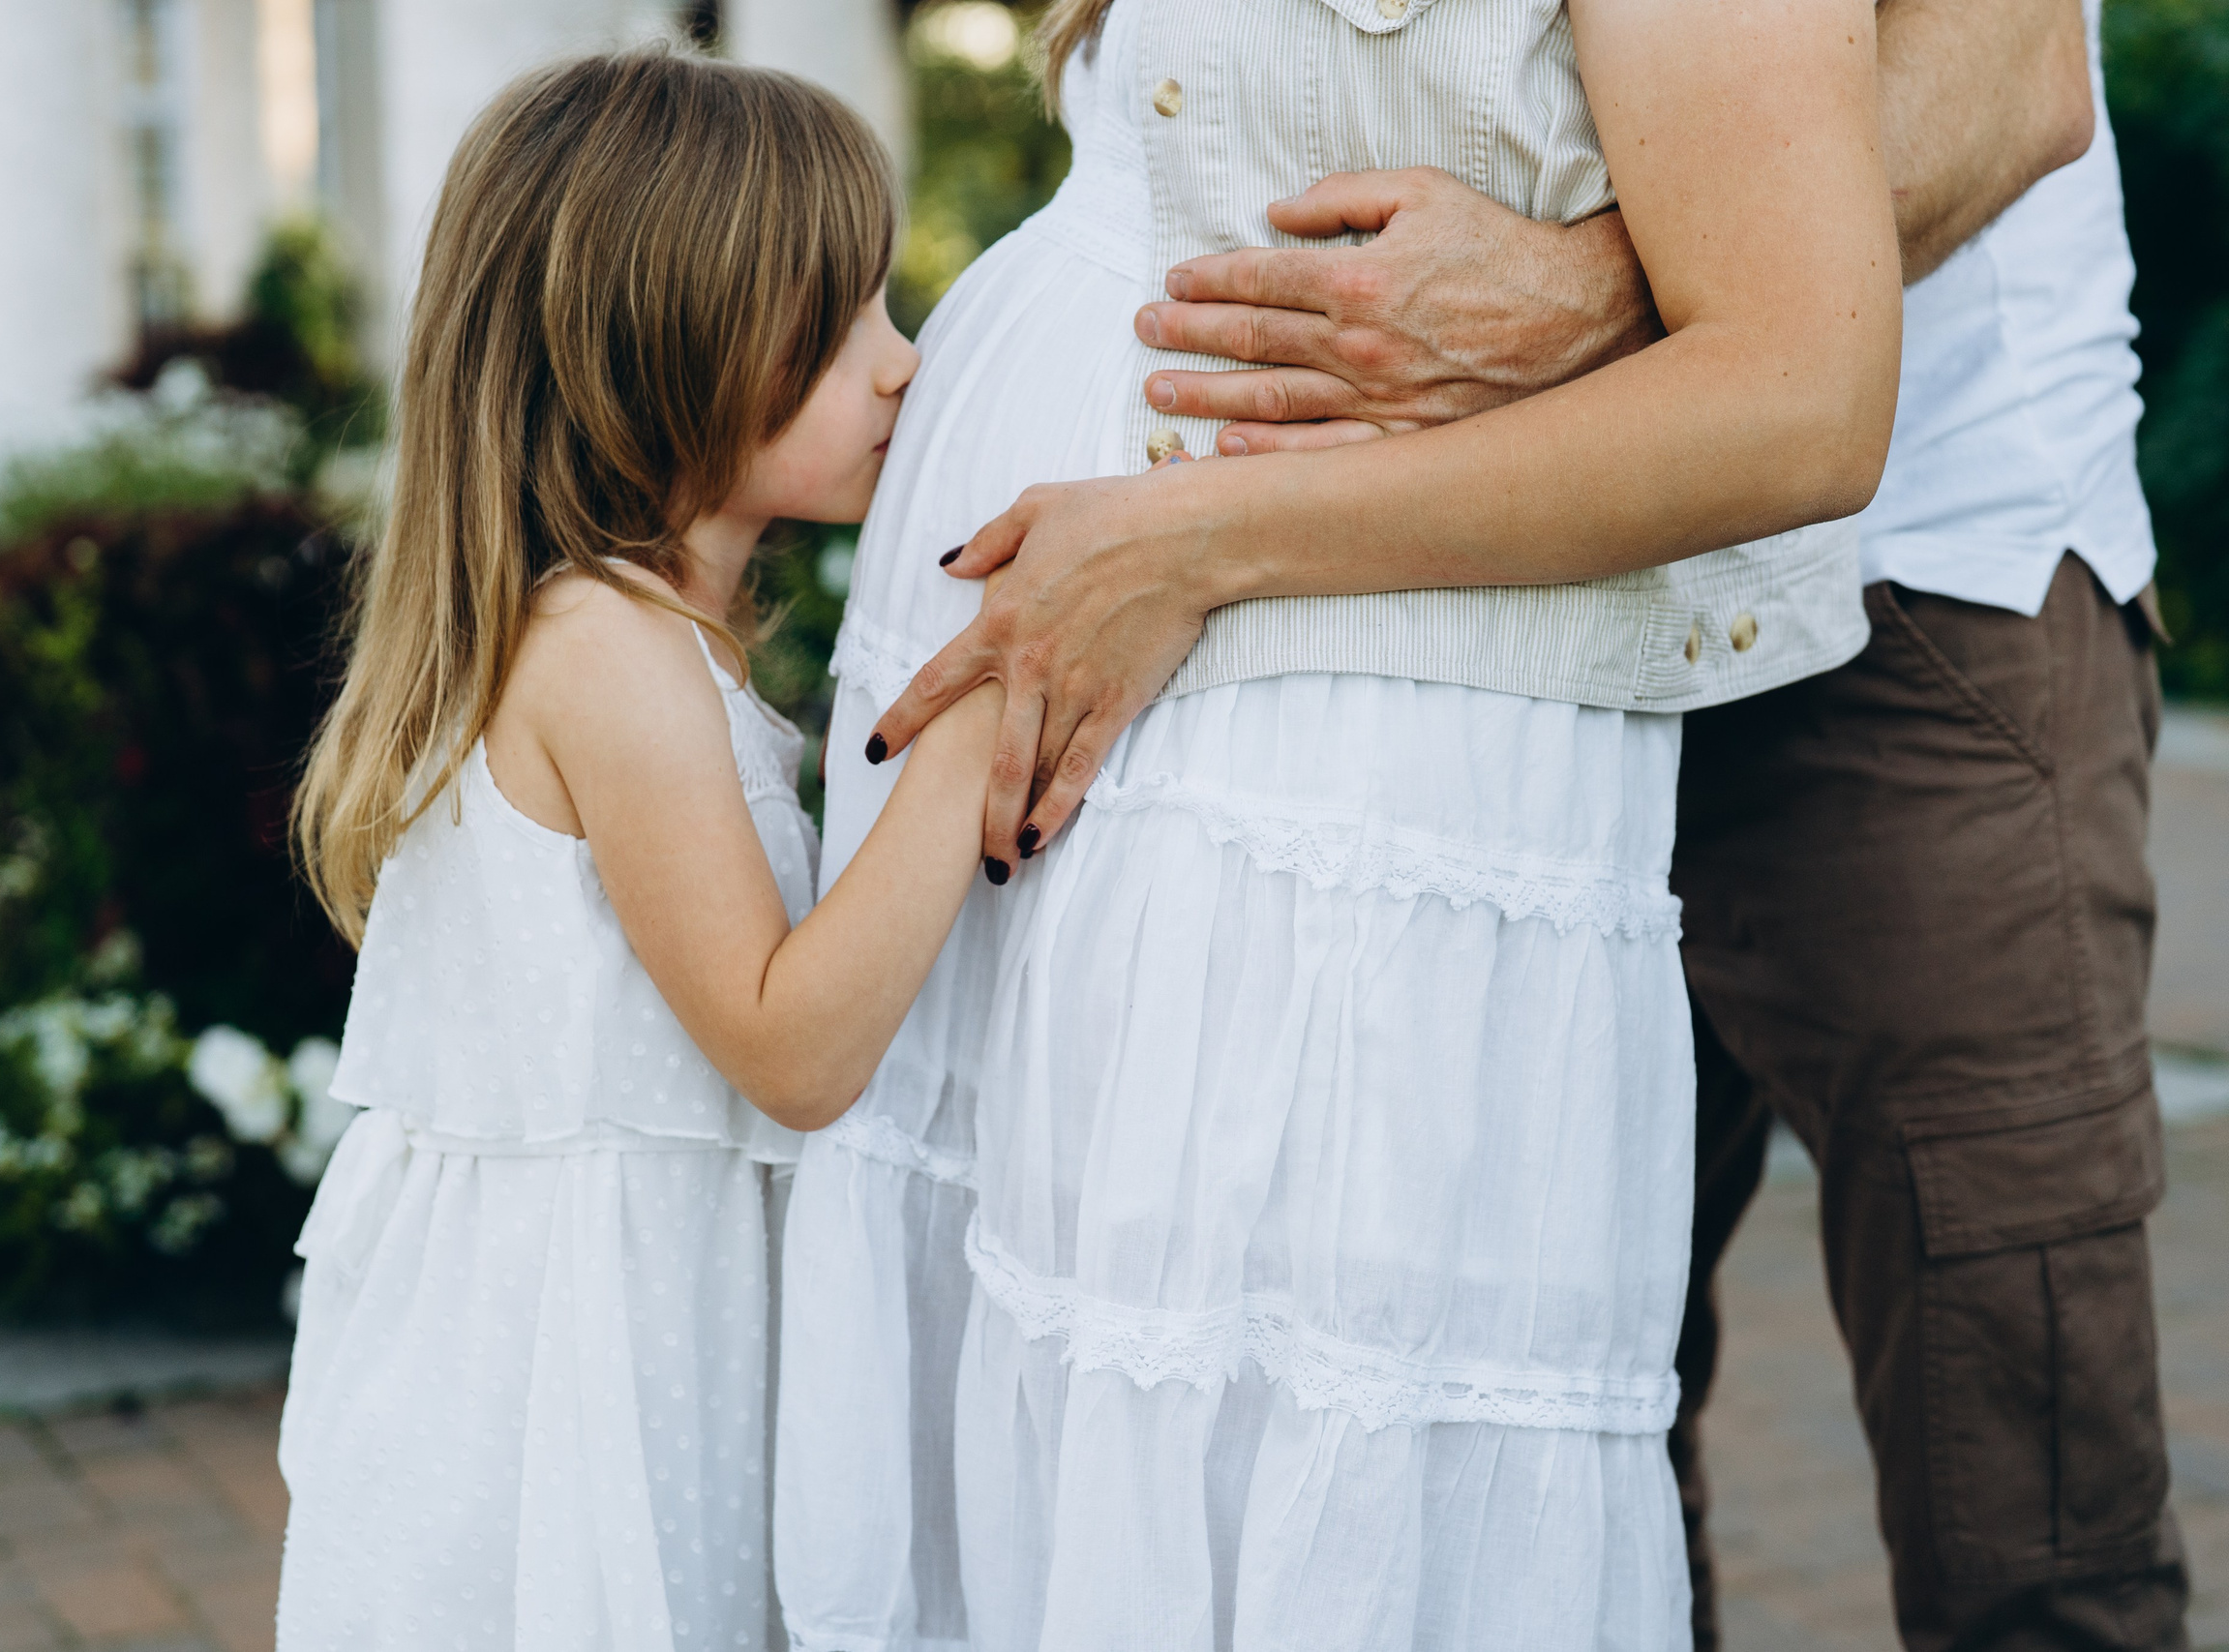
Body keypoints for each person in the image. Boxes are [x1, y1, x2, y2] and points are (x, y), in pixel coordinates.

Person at [899, 0, 2192, 1640]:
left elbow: (2018, 77)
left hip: (1916, 610)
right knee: (1572, 1428)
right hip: (1514, 626)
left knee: (2024, 1468)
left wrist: (1600, 290)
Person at [274, 52, 1006, 1651]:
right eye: (840, 324)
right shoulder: (609, 650)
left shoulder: (634, 636)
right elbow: (790, 1049)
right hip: (566, 1371)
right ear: (660, 346)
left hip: (615, 1316)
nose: (904, 363)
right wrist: (979, 730)